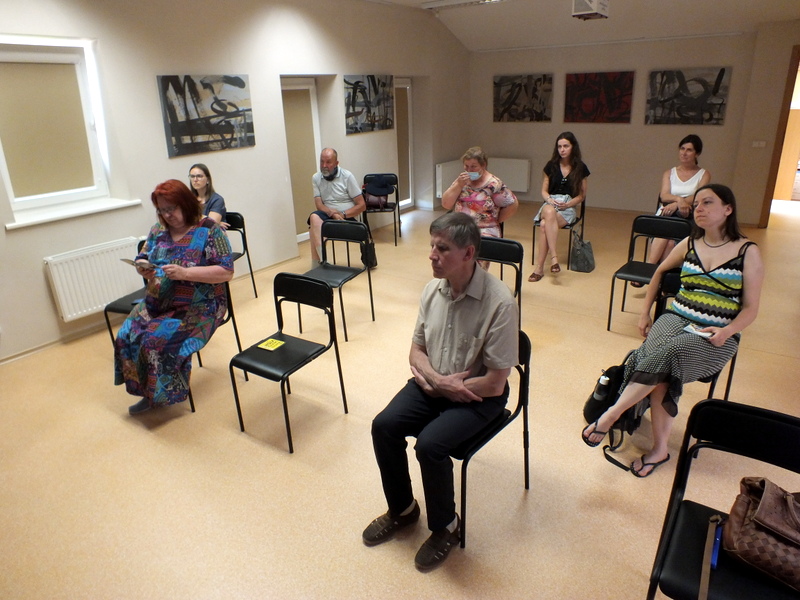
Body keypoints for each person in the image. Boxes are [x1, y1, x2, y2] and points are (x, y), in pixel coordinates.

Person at [363, 212, 519, 571]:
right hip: (434, 384)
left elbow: (496, 382)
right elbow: (416, 351)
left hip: (479, 396)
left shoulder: (500, 303)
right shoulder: (432, 290)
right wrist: (437, 380)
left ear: (469, 253)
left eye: (442, 248)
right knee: (383, 426)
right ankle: (403, 510)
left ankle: (446, 527)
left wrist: (446, 385)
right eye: (432, 245)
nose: (432, 255)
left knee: (430, 446)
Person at [581, 184, 764, 477]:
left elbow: (751, 309)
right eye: (697, 203)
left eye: (708, 202)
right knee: (664, 368)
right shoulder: (690, 243)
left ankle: (612, 413)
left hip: (717, 333)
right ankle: (660, 450)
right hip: (676, 317)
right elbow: (659, 272)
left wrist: (727, 331)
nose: (699, 208)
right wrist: (645, 312)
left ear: (728, 209)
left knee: (671, 353)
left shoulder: (747, 251)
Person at [114, 179, 234, 415]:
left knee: (155, 340)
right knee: (126, 334)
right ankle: (147, 390)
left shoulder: (209, 230)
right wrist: (142, 267)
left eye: (172, 208)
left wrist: (185, 273)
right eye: (162, 210)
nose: (167, 215)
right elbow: (144, 255)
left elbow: (226, 272)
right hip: (159, 300)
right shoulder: (158, 230)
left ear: (186, 204)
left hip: (200, 305)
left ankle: (162, 394)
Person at [641, 134, 711, 272]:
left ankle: (653, 271)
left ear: (697, 154)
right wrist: (679, 201)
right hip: (668, 211)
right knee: (668, 239)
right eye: (682, 149)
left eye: (689, 150)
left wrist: (677, 204)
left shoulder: (704, 174)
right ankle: (656, 272)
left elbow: (698, 196)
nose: (684, 153)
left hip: (688, 214)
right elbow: (664, 195)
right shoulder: (669, 172)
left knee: (670, 240)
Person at [528, 132, 590, 282]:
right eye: (559, 146)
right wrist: (550, 199)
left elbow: (582, 196)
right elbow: (544, 191)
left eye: (566, 146)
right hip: (550, 203)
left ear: (573, 147)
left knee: (544, 225)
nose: (562, 150)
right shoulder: (551, 166)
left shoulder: (580, 168)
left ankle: (539, 269)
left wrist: (568, 204)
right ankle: (554, 258)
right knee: (549, 211)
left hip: (567, 207)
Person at [441, 146, 518, 241]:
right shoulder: (461, 180)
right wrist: (458, 185)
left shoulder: (493, 184)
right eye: (466, 166)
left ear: (483, 165)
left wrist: (496, 220)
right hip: (461, 227)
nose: (469, 170)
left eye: (473, 166)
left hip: (485, 229)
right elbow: (446, 204)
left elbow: (512, 204)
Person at [308, 148, 366, 266]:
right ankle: (324, 260)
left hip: (347, 217)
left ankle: (316, 265)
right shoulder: (316, 178)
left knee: (313, 229)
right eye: (322, 161)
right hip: (328, 215)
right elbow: (319, 204)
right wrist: (332, 213)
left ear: (336, 163)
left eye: (328, 162)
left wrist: (342, 214)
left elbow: (362, 205)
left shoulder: (347, 176)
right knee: (314, 217)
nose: (324, 166)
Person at [189, 163, 228, 228]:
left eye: (199, 176)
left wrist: (192, 220)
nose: (195, 180)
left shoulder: (217, 200)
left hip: (208, 234)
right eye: (192, 176)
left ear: (208, 179)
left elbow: (210, 226)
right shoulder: (188, 199)